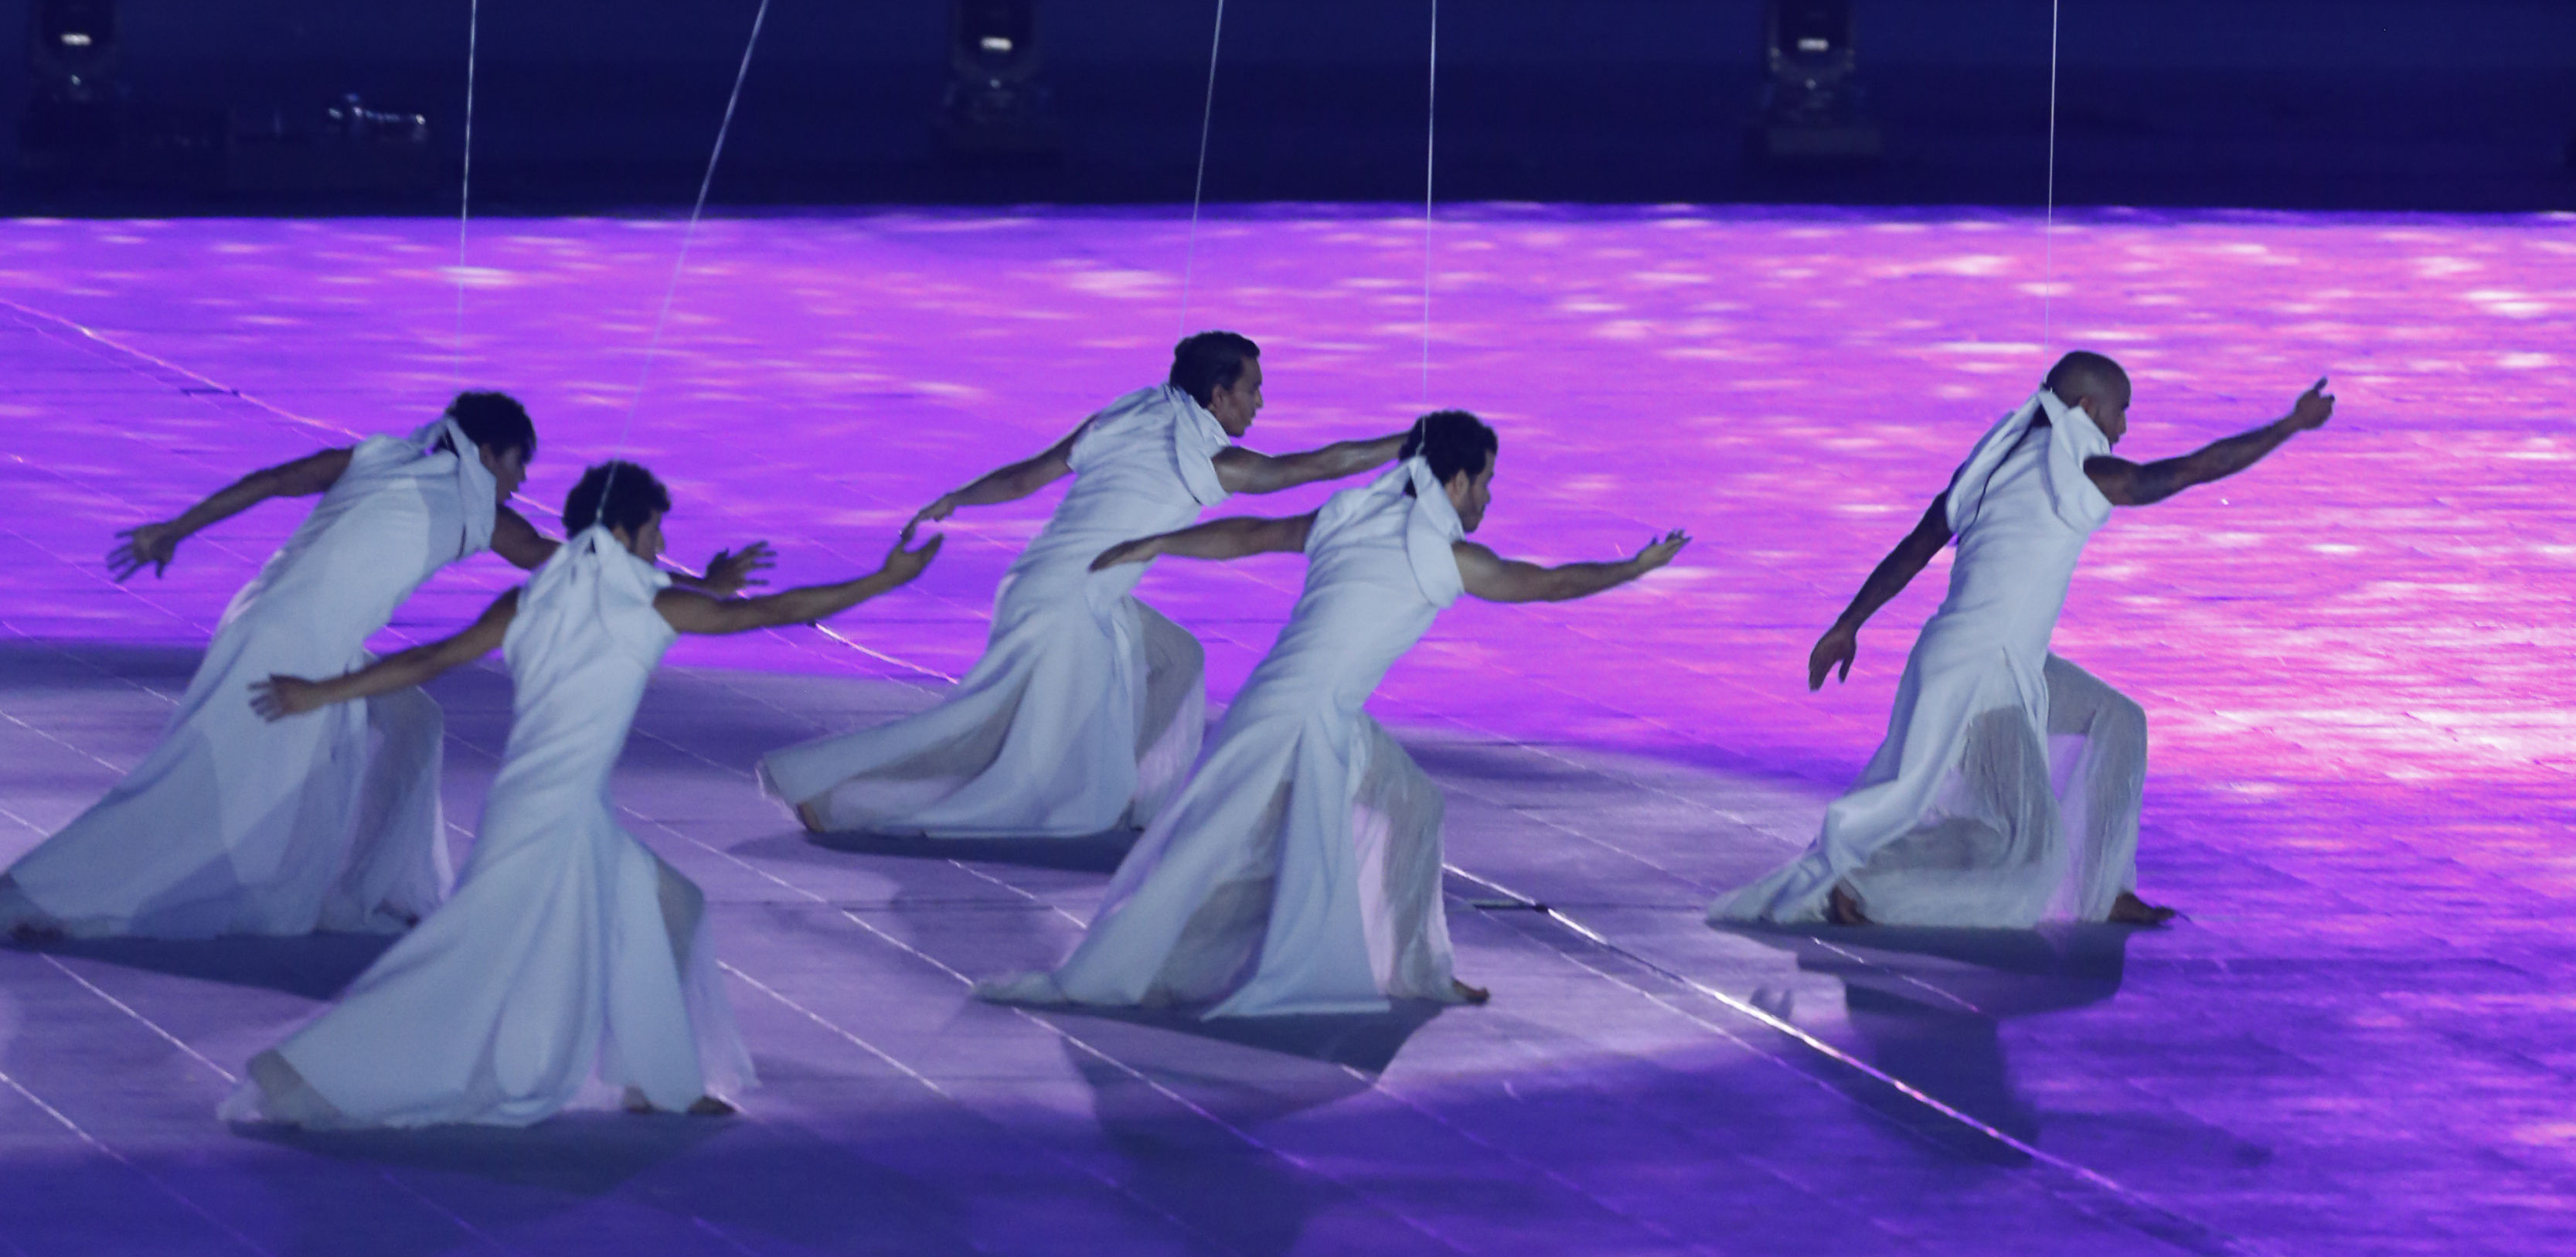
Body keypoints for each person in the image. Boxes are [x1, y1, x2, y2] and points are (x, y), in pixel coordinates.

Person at [229, 459, 940, 1129]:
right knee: (462, 964)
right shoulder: (650, 606)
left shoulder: (531, 597)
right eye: (656, 532)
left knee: (672, 903)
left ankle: (656, 1084)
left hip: (543, 807)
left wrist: (320, 693)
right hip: (553, 822)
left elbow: (429, 658)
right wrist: (885, 578)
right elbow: (776, 613)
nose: (661, 545)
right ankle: (311, 1076)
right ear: (625, 534)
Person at [982, 410, 1684, 1018]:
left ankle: (1415, 969)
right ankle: (1127, 971)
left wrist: (1162, 543)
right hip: (1298, 720)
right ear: (1457, 482)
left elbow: (1254, 535)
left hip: (1305, 708)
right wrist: (1632, 569)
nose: (1490, 496)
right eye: (1487, 482)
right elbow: (1548, 585)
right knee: (1212, 852)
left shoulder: (1346, 518)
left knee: (1412, 806)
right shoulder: (1440, 552)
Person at [1715, 352, 2335, 932]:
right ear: (2089, 411)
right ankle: (1859, 885)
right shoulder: (2083, 471)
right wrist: (2288, 425)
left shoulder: (1993, 463)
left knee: (2116, 720)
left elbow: (1919, 541)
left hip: (2000, 659)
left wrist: (1850, 621)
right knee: (2030, 857)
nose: (2123, 428)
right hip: (1984, 671)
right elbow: (2192, 472)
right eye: (2120, 411)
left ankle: (2103, 889)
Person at [761, 331, 1407, 846]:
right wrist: (1411, 441)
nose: (1261, 404)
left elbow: (1024, 479)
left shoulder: (1131, 412)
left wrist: (961, 496)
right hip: (1067, 604)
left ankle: (1146, 800)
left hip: (1052, 585)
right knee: (1015, 762)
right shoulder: (1214, 461)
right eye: (1254, 391)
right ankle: (835, 795)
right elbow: (1319, 466)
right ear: (1217, 394)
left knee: (1176, 658)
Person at [0, 395, 584, 945]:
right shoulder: (473, 511)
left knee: (413, 723)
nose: (522, 479)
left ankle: (367, 889)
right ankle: (52, 897)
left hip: (276, 624)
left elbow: (275, 482)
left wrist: (177, 529)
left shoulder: (380, 457)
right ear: (486, 456)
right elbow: (538, 554)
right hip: (289, 650)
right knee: (199, 791)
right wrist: (644, 579)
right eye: (518, 463)